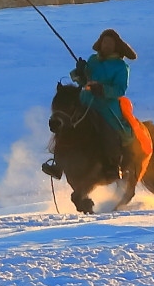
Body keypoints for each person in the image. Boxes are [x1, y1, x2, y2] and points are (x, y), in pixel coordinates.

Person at [43, 28, 138, 180]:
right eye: (104, 42)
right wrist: (81, 72)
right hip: (85, 101)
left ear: (116, 46)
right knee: (66, 125)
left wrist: (102, 89)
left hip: (106, 107)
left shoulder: (121, 67)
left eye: (110, 43)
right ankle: (58, 165)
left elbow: (120, 89)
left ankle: (113, 165)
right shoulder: (93, 60)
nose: (106, 45)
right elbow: (84, 81)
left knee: (110, 132)